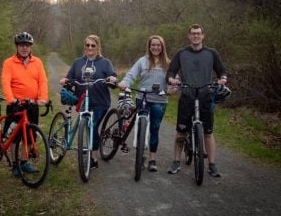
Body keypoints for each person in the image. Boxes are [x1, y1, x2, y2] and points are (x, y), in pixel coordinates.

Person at [166, 24, 227, 177]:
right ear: (189, 36)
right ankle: (176, 161)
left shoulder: (211, 53)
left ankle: (212, 165)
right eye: (193, 34)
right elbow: (171, 71)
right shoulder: (181, 53)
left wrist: (223, 79)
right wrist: (171, 79)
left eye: (198, 33)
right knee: (181, 132)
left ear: (203, 36)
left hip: (206, 95)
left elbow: (221, 71)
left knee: (208, 132)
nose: (196, 36)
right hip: (187, 94)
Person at [59, 35, 117, 169]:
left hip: (100, 102)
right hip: (83, 100)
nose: (89, 48)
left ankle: (93, 159)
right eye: (87, 45)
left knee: (93, 126)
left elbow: (113, 77)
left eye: (92, 45)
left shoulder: (105, 62)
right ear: (84, 46)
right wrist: (65, 80)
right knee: (87, 126)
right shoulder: (78, 62)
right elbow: (70, 78)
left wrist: (112, 79)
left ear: (98, 47)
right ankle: (88, 150)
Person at [118, 35, 174, 172]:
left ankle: (152, 159)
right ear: (149, 46)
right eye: (153, 45)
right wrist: (125, 83)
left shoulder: (168, 63)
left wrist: (172, 88)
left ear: (162, 47)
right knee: (140, 125)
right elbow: (131, 75)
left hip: (159, 101)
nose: (155, 47)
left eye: (158, 45)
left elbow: (175, 80)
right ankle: (140, 155)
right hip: (142, 98)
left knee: (155, 129)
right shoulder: (142, 61)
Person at [1, 31, 48, 175]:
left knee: (29, 135)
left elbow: (42, 81)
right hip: (16, 105)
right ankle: (15, 165)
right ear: (16, 46)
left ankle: (24, 161)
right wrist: (11, 100)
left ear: (30, 47)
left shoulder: (37, 62)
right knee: (15, 137)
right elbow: (5, 82)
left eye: (27, 45)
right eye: (21, 45)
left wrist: (43, 98)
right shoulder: (9, 63)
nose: (24, 48)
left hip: (32, 105)